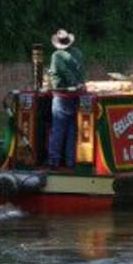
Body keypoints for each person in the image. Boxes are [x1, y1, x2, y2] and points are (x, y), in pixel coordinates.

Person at [46, 29, 85, 169]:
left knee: (58, 129)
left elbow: (64, 72)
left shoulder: (56, 56)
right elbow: (80, 73)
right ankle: (70, 161)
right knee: (72, 129)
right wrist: (79, 85)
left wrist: (71, 83)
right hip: (76, 97)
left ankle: (54, 161)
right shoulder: (77, 53)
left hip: (61, 96)